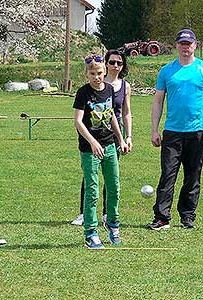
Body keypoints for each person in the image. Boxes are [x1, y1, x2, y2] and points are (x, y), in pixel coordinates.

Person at [148, 29, 203, 230]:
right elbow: (158, 102)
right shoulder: (166, 71)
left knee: (193, 176)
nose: (185, 47)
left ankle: (187, 216)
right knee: (168, 175)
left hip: (197, 132)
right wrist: (155, 130)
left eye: (189, 43)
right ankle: (162, 217)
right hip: (172, 132)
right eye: (182, 43)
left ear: (195, 45)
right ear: (176, 46)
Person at [71, 49, 133, 226]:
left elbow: (113, 114)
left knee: (114, 186)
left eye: (99, 73)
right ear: (87, 74)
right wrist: (92, 142)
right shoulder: (83, 92)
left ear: (104, 72)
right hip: (90, 146)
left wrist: (121, 139)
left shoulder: (109, 90)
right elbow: (78, 121)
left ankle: (112, 222)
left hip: (110, 144)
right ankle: (89, 225)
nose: (96, 77)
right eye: (92, 74)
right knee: (92, 188)